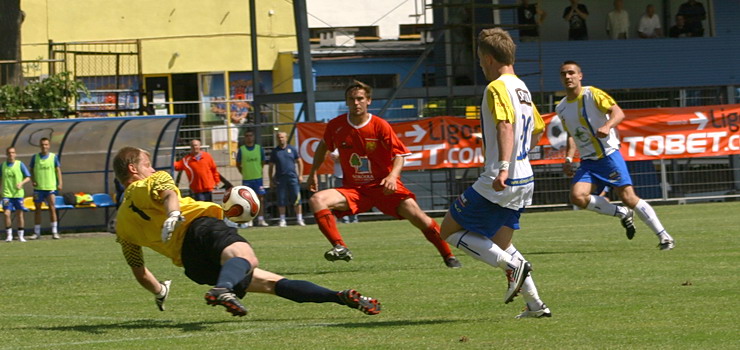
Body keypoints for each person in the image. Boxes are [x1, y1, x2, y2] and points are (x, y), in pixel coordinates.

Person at [112, 146, 381, 317]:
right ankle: (223, 289)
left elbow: (138, 269)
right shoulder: (146, 183)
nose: (153, 168)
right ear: (133, 169)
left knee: (271, 283)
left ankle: (341, 298)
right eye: (147, 164)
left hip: (193, 265)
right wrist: (174, 213)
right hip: (199, 228)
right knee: (246, 256)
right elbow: (168, 191)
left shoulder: (120, 226)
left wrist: (159, 291)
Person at [438, 28, 549, 318]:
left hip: (502, 177)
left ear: (488, 58)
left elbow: (505, 126)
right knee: (501, 244)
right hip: (525, 176)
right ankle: (536, 305)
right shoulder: (522, 87)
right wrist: (518, 154)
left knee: (448, 230)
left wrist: (503, 165)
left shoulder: (496, 87)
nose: (480, 65)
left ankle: (511, 269)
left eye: (479, 59)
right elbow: (538, 129)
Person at [307, 80, 462, 269]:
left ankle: (449, 256)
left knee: (419, 218)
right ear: (346, 102)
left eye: (360, 99)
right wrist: (313, 172)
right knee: (317, 200)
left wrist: (392, 177)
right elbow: (324, 145)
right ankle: (340, 247)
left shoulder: (380, 126)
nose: (356, 103)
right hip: (355, 190)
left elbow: (399, 155)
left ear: (368, 101)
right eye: (351, 99)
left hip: (384, 187)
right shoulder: (336, 125)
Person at [556, 61, 675, 250]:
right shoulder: (561, 107)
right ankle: (621, 213)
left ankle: (664, 236)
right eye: (564, 74)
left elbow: (618, 113)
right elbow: (572, 135)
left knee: (628, 196)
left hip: (608, 156)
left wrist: (607, 125)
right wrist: (569, 158)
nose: (568, 77)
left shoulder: (592, 94)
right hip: (588, 161)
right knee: (577, 197)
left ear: (580, 76)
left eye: (571, 73)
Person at [268, 131, 305, 227]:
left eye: (282, 137)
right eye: (279, 137)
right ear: (277, 139)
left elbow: (300, 162)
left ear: (286, 138)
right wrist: (271, 180)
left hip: (292, 177)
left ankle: (299, 219)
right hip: (280, 178)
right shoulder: (275, 151)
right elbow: (271, 166)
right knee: (281, 199)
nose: (281, 139)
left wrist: (300, 175)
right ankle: (282, 220)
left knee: (297, 199)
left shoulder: (292, 149)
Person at [29, 137, 63, 240]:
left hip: (50, 187)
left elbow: (58, 171)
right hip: (39, 188)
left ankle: (54, 231)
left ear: (49, 146)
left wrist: (60, 183)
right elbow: (31, 170)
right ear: (40, 146)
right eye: (42, 144)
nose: (44, 146)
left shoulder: (53, 157)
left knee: (52, 208)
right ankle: (37, 232)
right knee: (37, 209)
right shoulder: (35, 157)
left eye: (46, 144)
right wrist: (33, 180)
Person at [235, 130, 269, 227]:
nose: (249, 137)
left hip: (258, 178)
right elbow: (238, 164)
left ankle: (261, 219)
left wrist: (258, 170)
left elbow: (263, 162)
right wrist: (243, 172)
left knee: (260, 199)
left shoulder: (259, 148)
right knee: (248, 201)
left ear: (253, 137)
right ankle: (250, 220)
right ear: (245, 138)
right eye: (247, 136)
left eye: (250, 135)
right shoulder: (242, 150)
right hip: (247, 179)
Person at [1, 147, 31, 242]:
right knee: (6, 214)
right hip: (7, 194)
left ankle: (21, 235)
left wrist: (21, 183)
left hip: (18, 194)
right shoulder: (3, 165)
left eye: (13, 152)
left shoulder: (20, 164)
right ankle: (9, 235)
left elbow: (28, 177)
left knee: (20, 214)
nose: (11, 154)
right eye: (9, 153)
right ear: (6, 154)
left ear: (15, 154)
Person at [329, 149, 359, 224]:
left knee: (353, 199)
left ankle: (354, 219)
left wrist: (343, 157)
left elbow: (355, 158)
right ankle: (345, 219)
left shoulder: (353, 146)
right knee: (341, 199)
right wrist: (346, 156)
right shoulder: (336, 149)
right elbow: (335, 158)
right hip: (340, 177)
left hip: (352, 176)